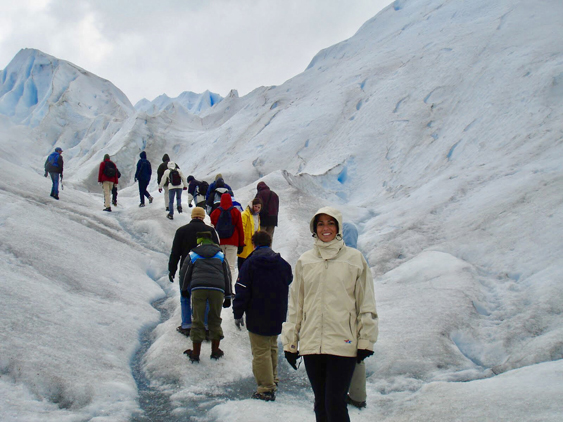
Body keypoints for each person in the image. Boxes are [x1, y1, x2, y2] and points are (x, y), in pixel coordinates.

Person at [282, 207, 378, 422]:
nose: (326, 228)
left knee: (335, 402)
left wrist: (366, 340)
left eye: (331, 223)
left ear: (339, 227)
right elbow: (296, 306)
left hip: (343, 341)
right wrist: (290, 343)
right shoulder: (305, 261)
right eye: (321, 224)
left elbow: (366, 303)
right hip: (312, 343)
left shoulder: (355, 259)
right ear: (314, 229)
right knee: (321, 403)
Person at [233, 231, 293, 401]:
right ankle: (272, 379)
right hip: (277, 313)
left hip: (257, 313)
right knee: (272, 346)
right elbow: (289, 279)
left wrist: (238, 313)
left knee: (260, 351)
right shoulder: (282, 263)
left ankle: (266, 388)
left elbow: (242, 290)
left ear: (254, 244)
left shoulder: (250, 263)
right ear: (270, 242)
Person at [180, 231, 233, 363]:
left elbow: (185, 272)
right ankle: (215, 351)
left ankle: (195, 353)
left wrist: (184, 289)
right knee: (215, 318)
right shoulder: (220, 255)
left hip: (199, 288)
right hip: (217, 289)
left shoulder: (193, 254)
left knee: (197, 319)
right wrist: (228, 295)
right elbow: (227, 275)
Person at [169, 207, 219, 337]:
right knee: (206, 298)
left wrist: (172, 269)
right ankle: (206, 326)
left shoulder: (181, 231)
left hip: (186, 271)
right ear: (203, 217)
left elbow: (175, 253)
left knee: (185, 297)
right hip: (206, 271)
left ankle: (186, 325)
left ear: (192, 216)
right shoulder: (211, 231)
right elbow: (217, 251)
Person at [342, 221, 367, 409]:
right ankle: (358, 396)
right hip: (357, 317)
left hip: (343, 317)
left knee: (340, 354)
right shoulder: (361, 259)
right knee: (356, 356)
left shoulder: (342, 259)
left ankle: (337, 393)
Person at [210, 193, 244, 279]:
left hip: (219, 243)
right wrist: (241, 244)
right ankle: (230, 288)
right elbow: (240, 228)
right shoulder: (236, 212)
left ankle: (220, 286)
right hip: (233, 242)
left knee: (220, 265)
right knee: (231, 266)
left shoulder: (215, 212)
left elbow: (212, 228)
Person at [237, 198, 262, 269]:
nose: (257, 208)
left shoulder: (257, 216)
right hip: (245, 244)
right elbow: (242, 229)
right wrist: (242, 242)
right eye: (255, 206)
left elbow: (257, 229)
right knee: (242, 265)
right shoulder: (245, 214)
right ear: (252, 205)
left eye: (259, 207)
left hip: (253, 244)